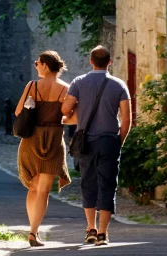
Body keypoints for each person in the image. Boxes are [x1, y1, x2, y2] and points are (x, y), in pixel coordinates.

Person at [61, 45, 131, 246]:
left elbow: (65, 109)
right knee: (108, 185)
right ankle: (103, 233)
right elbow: (126, 119)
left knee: (88, 183)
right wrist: (119, 142)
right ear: (109, 62)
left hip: (87, 142)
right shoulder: (119, 85)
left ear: (91, 61)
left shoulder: (79, 82)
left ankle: (90, 229)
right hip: (109, 141)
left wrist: (78, 109)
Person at [15, 50, 75, 247]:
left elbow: (18, 111)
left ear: (46, 65)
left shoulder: (32, 86)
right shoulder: (66, 89)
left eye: (37, 63)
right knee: (43, 190)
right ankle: (33, 232)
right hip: (54, 138)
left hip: (32, 138)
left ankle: (33, 230)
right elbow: (72, 117)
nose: (36, 65)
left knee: (33, 186)